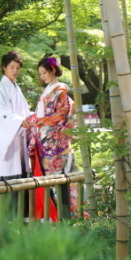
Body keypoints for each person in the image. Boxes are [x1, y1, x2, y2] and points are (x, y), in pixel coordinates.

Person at [27, 56, 78, 219]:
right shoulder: (49, 90)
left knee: (59, 177)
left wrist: (38, 121)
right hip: (45, 142)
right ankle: (55, 215)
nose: (43, 76)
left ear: (53, 70)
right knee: (49, 179)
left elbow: (62, 115)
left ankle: (67, 215)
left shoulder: (60, 90)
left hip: (56, 143)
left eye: (44, 72)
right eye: (40, 74)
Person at [0, 51, 32, 215]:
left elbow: (25, 111)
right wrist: (20, 121)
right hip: (5, 141)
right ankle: (4, 221)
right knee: (4, 181)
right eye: (12, 67)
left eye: (18, 68)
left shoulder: (16, 88)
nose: (15, 71)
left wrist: (31, 119)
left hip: (16, 139)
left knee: (18, 180)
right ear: (4, 67)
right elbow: (2, 115)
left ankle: (18, 218)